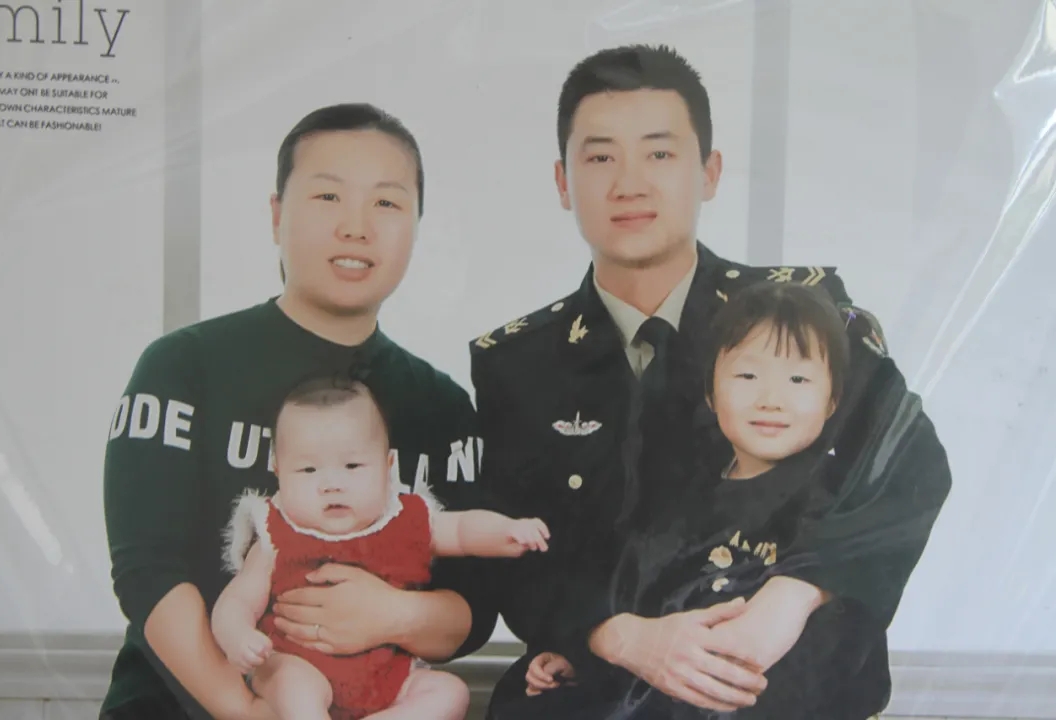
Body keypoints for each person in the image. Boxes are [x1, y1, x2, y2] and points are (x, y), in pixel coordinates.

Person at [469, 44, 951, 719]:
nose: (630, 184)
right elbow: (517, 558)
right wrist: (623, 637)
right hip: (598, 686)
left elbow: (904, 460)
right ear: (562, 181)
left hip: (776, 686)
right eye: (601, 158)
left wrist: (792, 596)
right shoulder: (520, 364)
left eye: (660, 153)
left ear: (710, 172)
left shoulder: (797, 315)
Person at [100, 103, 496, 720]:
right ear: (276, 215)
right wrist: (245, 710)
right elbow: (148, 571)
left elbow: (473, 610)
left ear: (417, 226)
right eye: (328, 197)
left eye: (387, 203)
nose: (357, 227)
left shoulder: (441, 406)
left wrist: (396, 614)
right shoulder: (183, 367)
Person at [523, 281, 892, 719]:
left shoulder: (840, 500)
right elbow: (645, 606)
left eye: (798, 379)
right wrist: (591, 663)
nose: (771, 400)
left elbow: (844, 638)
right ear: (710, 393)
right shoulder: (679, 498)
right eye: (747, 376)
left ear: (833, 400)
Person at [212, 373, 549, 720]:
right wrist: (238, 636)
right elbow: (237, 601)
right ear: (278, 471)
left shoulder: (405, 518)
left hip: (386, 676)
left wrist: (506, 531)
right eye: (309, 469)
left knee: (449, 692)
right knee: (294, 686)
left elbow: (462, 530)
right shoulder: (275, 534)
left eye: (353, 466)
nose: (332, 484)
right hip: (298, 662)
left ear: (388, 467)